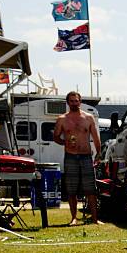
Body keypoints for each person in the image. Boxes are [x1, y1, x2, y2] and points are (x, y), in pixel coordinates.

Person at [53, 91, 102, 225]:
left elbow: (96, 138)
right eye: (72, 101)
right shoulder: (62, 119)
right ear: (68, 102)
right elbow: (56, 137)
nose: (75, 103)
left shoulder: (88, 118)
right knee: (71, 189)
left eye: (77, 101)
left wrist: (99, 154)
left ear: (80, 102)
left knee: (90, 189)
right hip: (71, 156)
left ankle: (94, 219)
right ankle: (73, 218)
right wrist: (65, 142)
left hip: (86, 156)